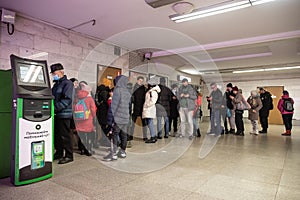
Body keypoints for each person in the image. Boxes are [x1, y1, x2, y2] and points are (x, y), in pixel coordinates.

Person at [51, 63, 74, 164]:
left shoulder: (67, 84)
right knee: (57, 135)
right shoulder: (56, 85)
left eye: (54, 73)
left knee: (65, 135)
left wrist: (54, 108)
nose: (53, 75)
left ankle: (69, 155)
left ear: (61, 71)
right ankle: (59, 152)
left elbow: (67, 99)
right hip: (56, 114)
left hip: (64, 114)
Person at [104, 75, 131, 161]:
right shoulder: (127, 92)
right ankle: (122, 152)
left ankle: (113, 154)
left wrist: (109, 119)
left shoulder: (117, 91)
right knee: (124, 135)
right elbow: (129, 107)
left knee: (114, 135)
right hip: (125, 118)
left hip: (118, 118)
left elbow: (113, 107)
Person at [74, 84, 97, 156]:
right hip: (88, 119)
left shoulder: (76, 97)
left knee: (81, 135)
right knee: (89, 135)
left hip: (78, 119)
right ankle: (88, 150)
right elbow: (93, 109)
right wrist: (94, 116)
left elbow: (73, 107)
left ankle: (81, 149)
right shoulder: (89, 99)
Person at [130, 76, 147, 141]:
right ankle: (131, 136)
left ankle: (145, 137)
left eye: (142, 81)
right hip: (136, 107)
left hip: (142, 108)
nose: (141, 82)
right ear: (137, 80)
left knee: (144, 124)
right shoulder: (134, 88)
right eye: (140, 81)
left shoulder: (143, 88)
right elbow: (132, 97)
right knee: (133, 123)